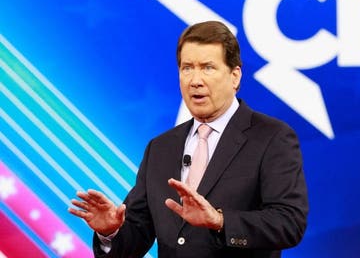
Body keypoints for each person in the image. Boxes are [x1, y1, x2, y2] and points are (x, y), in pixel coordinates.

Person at [69, 21, 309, 257]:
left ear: (235, 76)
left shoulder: (271, 137)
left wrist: (220, 221)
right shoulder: (160, 148)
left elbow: (289, 223)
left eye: (207, 67)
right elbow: (136, 237)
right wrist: (111, 231)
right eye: (187, 68)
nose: (195, 80)